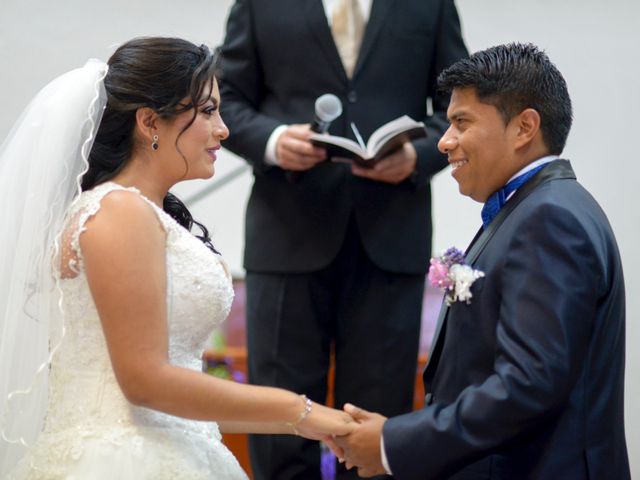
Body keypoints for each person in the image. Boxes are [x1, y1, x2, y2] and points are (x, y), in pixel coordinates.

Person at [0, 37, 355, 479]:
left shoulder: (138, 212)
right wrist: (303, 411)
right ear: (150, 122)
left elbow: (181, 400)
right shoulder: (119, 211)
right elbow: (145, 382)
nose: (223, 129)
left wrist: (314, 424)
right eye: (207, 111)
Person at [331, 42, 631, 479]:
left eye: (461, 122)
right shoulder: (536, 208)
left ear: (525, 126)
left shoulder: (550, 218)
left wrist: (392, 443)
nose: (445, 141)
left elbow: (529, 384)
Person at [218, 2, 468, 478]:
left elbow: (460, 106)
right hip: (287, 233)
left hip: (390, 237)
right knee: (278, 417)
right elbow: (225, 96)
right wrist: (272, 141)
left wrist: (416, 157)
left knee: (376, 420)